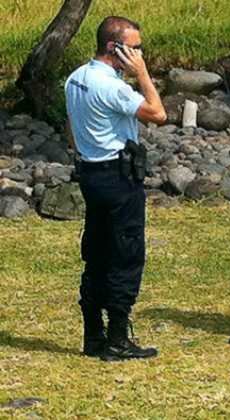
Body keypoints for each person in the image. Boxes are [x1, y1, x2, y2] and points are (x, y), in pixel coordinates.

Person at [65, 16, 166, 361]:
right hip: (118, 178)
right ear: (114, 48)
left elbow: (72, 127)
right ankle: (118, 338)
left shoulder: (76, 78)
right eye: (135, 48)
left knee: (96, 252)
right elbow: (157, 113)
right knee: (125, 254)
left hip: (91, 174)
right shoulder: (112, 86)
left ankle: (93, 334)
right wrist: (142, 74)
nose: (139, 55)